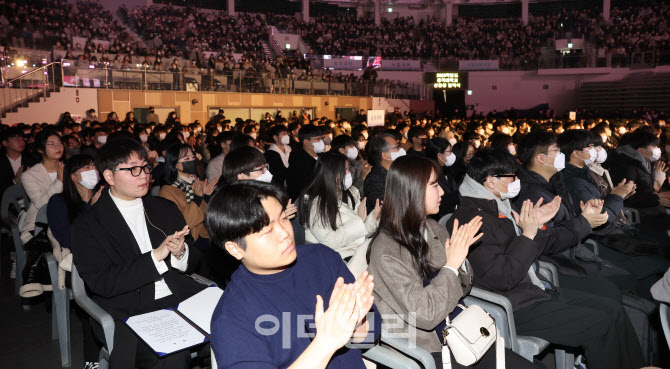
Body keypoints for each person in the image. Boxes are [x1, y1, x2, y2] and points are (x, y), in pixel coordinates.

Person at [449, 148, 645, 369]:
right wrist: (529, 234)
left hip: (532, 291)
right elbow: (503, 277)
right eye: (511, 177)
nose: (517, 181)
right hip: (513, 306)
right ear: (491, 182)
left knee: (613, 309)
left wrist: (538, 226)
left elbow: (535, 249)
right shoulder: (470, 220)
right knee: (602, 324)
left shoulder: (497, 206)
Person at [366, 155, 539, 368]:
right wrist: (451, 265)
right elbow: (426, 315)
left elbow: (465, 286)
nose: (442, 192)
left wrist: (460, 260)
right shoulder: (386, 250)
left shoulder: (433, 228)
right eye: (434, 185)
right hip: (426, 350)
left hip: (460, 334)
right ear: (412, 190)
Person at [206, 181, 381, 369]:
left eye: (283, 218)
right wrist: (325, 343)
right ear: (236, 248)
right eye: (267, 231)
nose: (284, 233)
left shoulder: (322, 259)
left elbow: (370, 334)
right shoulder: (233, 318)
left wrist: (356, 322)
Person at [71, 138, 206, 369]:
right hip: (132, 309)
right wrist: (155, 257)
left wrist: (181, 253)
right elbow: (103, 283)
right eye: (132, 169)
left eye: (145, 167)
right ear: (109, 177)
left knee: (237, 326)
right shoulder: (88, 225)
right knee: (172, 355)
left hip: (179, 297)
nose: (143, 175)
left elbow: (194, 260)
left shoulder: (164, 208)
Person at [46, 154, 102, 369]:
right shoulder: (58, 202)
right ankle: (92, 359)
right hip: (79, 265)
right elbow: (70, 239)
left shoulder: (104, 195)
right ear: (73, 176)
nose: (93, 171)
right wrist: (90, 208)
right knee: (95, 297)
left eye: (94, 166)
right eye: (87, 167)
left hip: (106, 259)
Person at [299, 151, 381, 261]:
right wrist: (359, 221)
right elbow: (330, 241)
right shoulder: (316, 203)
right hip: (329, 259)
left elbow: (360, 235)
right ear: (330, 173)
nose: (349, 173)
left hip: (354, 253)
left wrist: (374, 217)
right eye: (345, 170)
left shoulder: (351, 193)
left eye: (348, 168)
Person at [159, 143, 217, 251]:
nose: (191, 161)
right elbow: (182, 223)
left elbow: (208, 214)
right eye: (186, 158)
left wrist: (208, 196)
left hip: (206, 237)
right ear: (175, 164)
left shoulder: (199, 182)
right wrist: (197, 198)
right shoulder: (167, 191)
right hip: (187, 243)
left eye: (193, 157)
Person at [20, 130, 64, 243]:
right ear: (40, 149)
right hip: (40, 226)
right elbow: (41, 204)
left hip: (67, 221)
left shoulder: (69, 169)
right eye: (51, 144)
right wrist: (59, 181)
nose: (57, 147)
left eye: (59, 143)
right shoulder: (29, 175)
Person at [363, 132, 405, 210]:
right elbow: (388, 210)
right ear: (385, 155)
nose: (401, 150)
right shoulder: (375, 180)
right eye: (397, 147)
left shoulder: (394, 171)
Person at [425, 137, 459, 218]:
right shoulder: (430, 174)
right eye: (449, 151)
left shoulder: (446, 168)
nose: (452, 154)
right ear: (440, 155)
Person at [286, 124, 323, 200]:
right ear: (306, 142)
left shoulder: (323, 157)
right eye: (317, 139)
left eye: (322, 138)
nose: (321, 141)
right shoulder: (297, 161)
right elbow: (297, 189)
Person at [0, 127, 35, 198]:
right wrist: (15, 180)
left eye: (22, 139)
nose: (21, 142)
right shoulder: (1, 162)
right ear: (5, 143)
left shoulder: (31, 161)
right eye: (16, 139)